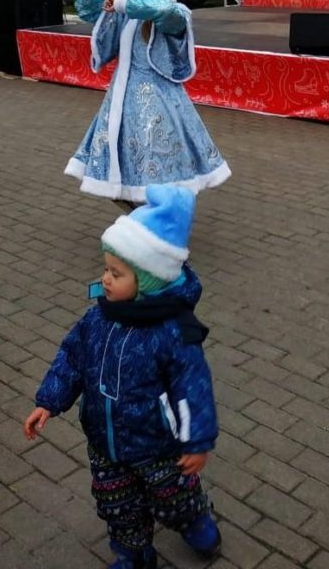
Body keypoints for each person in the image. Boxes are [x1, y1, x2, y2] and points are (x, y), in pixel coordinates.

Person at [23, 184, 221, 569]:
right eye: (106, 269)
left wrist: (197, 441)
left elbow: (193, 389)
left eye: (116, 273)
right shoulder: (97, 318)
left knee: (173, 496)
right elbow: (72, 357)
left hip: (157, 446)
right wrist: (49, 400)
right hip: (106, 443)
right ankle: (133, 553)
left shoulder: (173, 332)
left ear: (147, 281)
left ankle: (194, 518)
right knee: (118, 505)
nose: (106, 279)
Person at [65, 0, 231, 204]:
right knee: (118, 158)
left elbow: (161, 10)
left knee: (154, 161)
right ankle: (139, 210)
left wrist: (121, 1)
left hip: (157, 103)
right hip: (120, 98)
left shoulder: (177, 13)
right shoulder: (128, 13)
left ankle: (158, 213)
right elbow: (87, 10)